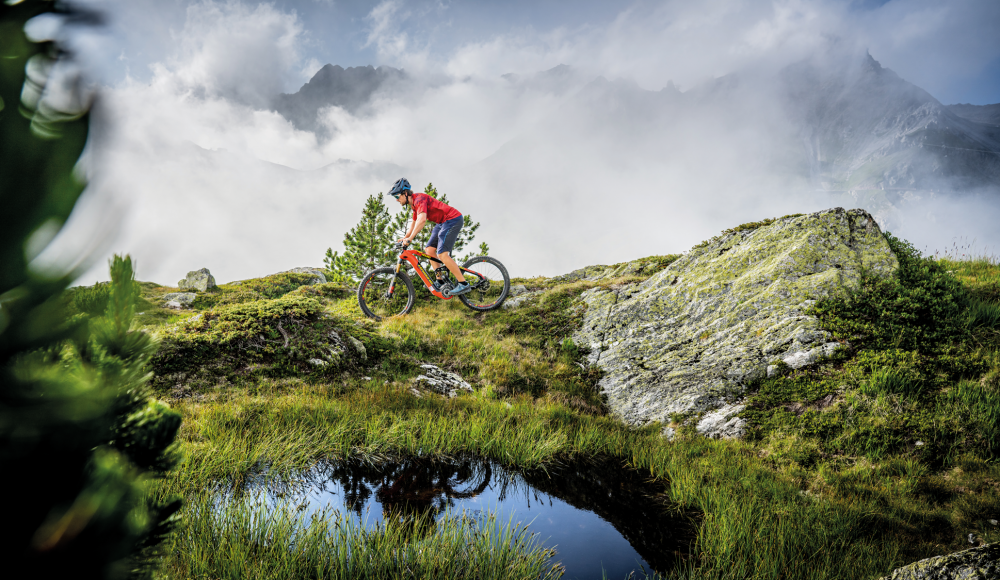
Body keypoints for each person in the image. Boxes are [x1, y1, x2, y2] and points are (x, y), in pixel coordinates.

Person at [388, 178, 472, 296]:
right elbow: (414, 222)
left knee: (442, 254)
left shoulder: (419, 199)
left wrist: (410, 239)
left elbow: (422, 220)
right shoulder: (413, 205)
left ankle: (463, 284)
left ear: (405, 193)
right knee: (429, 250)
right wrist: (405, 237)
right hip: (442, 222)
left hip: (452, 219)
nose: (397, 200)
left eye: (397, 197)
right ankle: (440, 280)